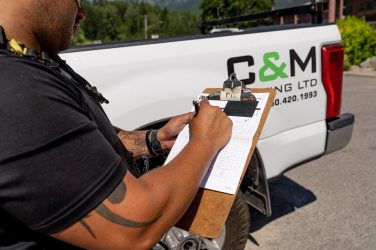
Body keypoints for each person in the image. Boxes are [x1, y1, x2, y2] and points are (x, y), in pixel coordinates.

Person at [0, 0, 232, 249]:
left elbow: (76, 151)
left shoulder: (29, 60)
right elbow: (133, 230)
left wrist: (153, 140)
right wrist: (205, 142)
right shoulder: (15, 87)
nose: (82, 13)